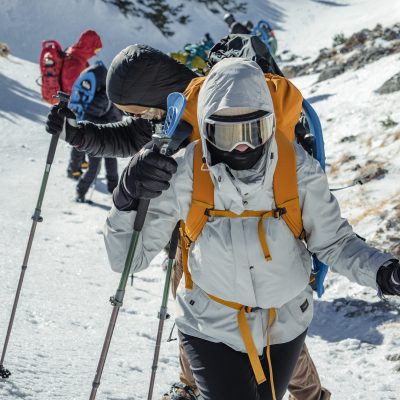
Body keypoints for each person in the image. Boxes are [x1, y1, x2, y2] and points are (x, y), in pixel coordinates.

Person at [103, 58, 399, 399]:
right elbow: (127, 260)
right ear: (207, 128)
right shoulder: (185, 172)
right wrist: (127, 198)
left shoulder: (296, 168)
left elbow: (333, 242)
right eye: (227, 134)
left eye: (252, 131)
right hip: (209, 326)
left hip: (284, 326)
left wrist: (384, 272)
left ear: (271, 125)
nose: (241, 147)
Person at [68, 62, 121, 203]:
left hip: (97, 138)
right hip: (105, 138)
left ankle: (82, 191)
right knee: (102, 167)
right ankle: (113, 192)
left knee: (96, 167)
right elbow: (113, 117)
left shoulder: (100, 97)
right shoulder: (108, 97)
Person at [61, 29, 103, 179]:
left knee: (81, 135)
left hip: (76, 105)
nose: (96, 53)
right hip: (73, 106)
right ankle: (73, 169)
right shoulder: (75, 60)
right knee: (78, 136)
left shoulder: (79, 57)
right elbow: (72, 86)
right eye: (95, 49)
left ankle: (81, 162)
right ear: (89, 46)